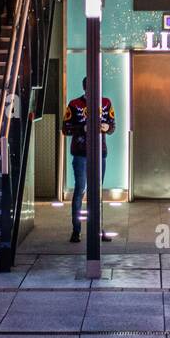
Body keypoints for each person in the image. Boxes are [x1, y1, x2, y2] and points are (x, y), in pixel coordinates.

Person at [62, 77, 115, 243]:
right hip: (80, 153)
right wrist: (82, 128)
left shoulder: (106, 103)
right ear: (85, 88)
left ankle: (97, 229)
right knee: (80, 190)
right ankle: (76, 230)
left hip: (100, 152)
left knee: (97, 192)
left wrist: (107, 127)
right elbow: (65, 129)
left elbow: (112, 125)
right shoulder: (74, 104)